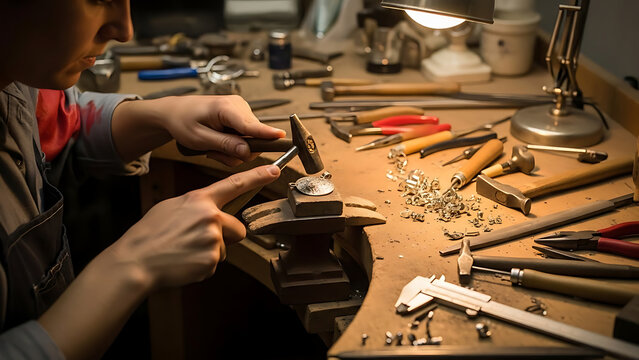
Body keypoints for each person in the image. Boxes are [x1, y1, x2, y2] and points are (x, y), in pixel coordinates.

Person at [0, 1, 286, 358]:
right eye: (98, 1)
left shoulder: (17, 77)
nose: (124, 31)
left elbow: (58, 127)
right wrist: (132, 265)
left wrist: (160, 115)